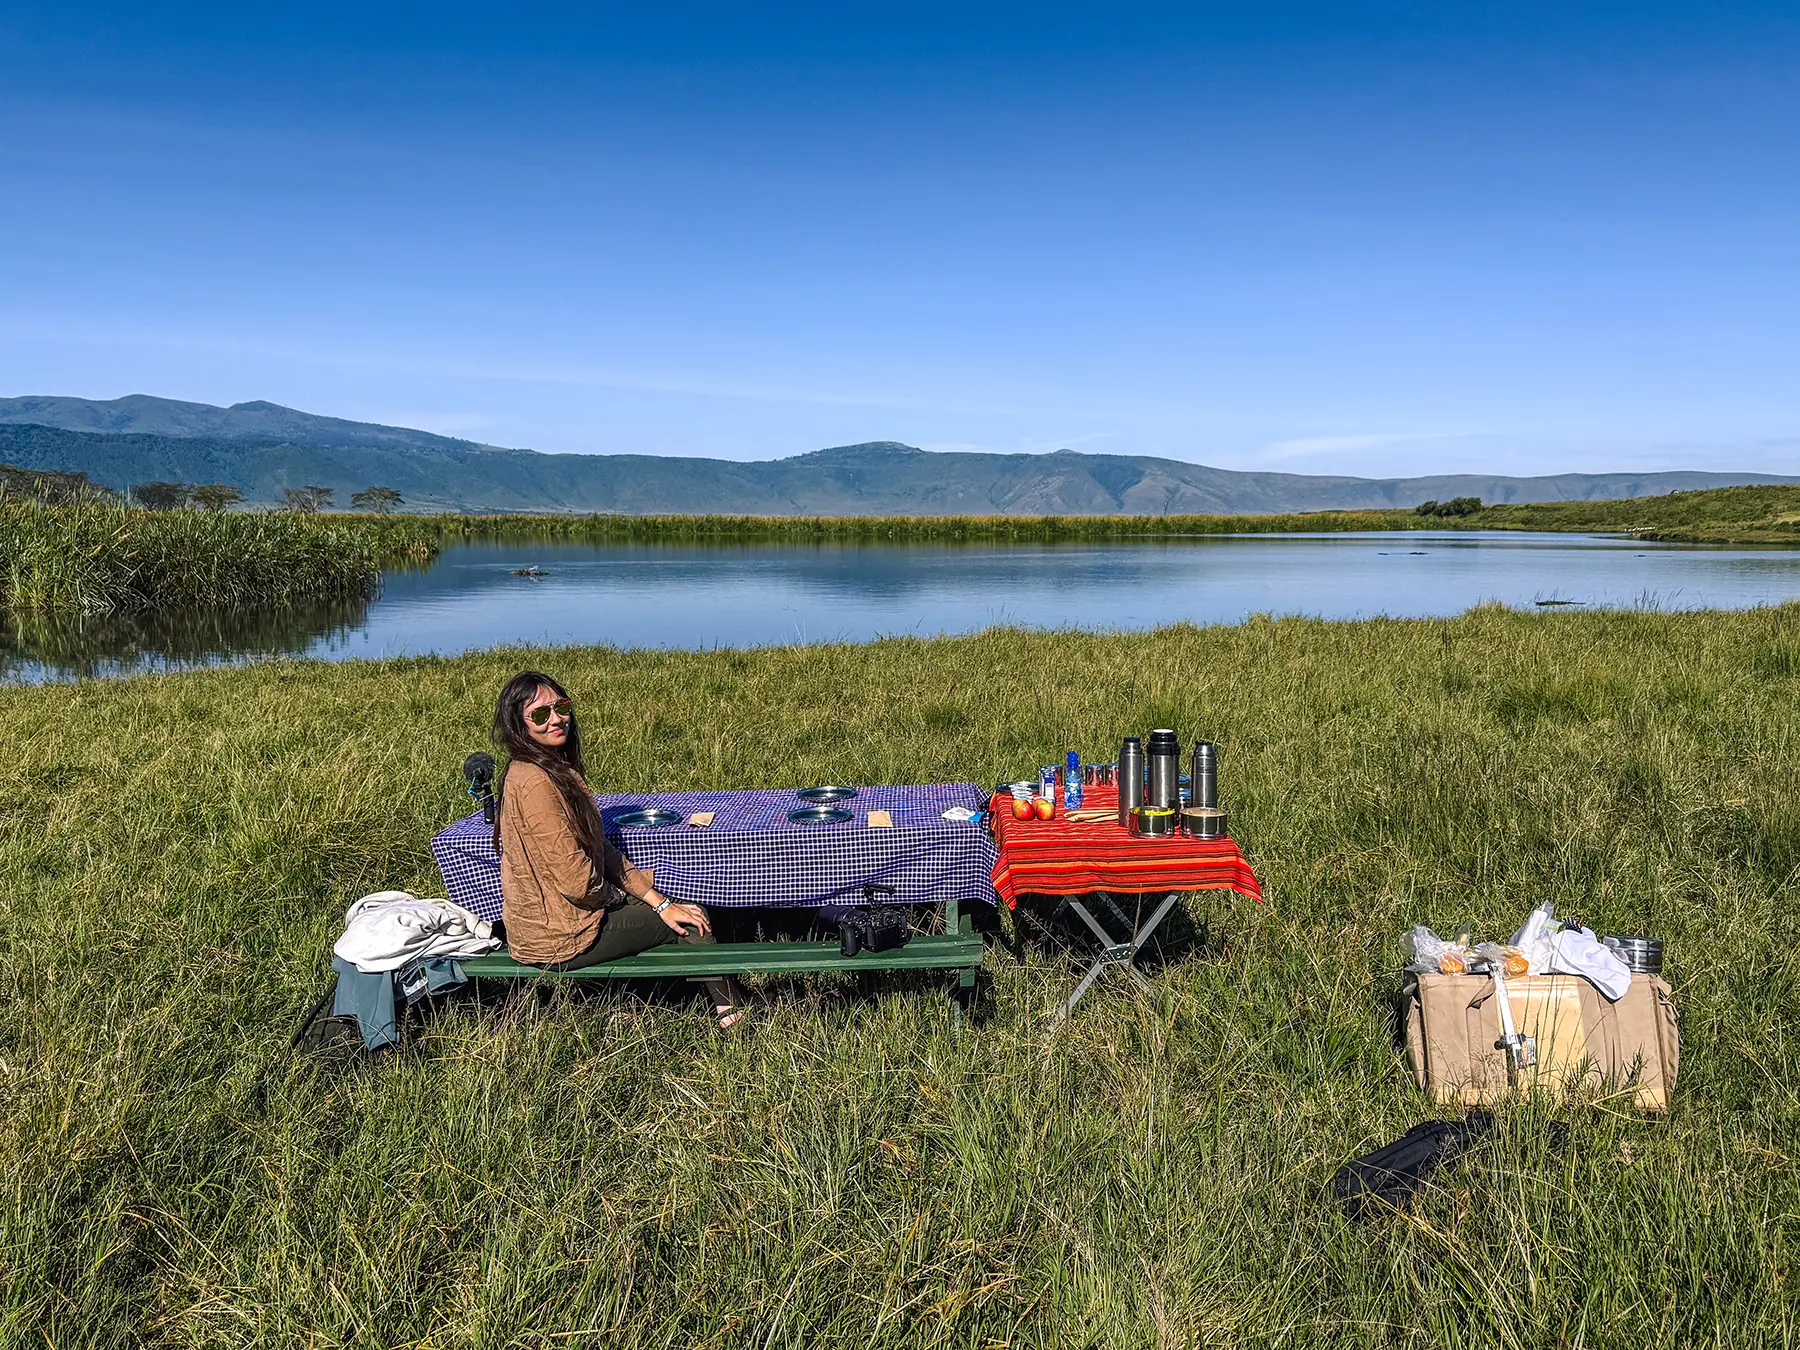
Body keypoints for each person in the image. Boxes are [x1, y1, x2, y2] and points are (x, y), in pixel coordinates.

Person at [492, 670, 746, 1028]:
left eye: (560, 707)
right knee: (693, 923)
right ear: (519, 726)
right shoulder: (535, 782)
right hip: (560, 938)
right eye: (539, 714)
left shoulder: (545, 770)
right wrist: (627, 900)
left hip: (548, 926)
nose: (556, 719)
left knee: (670, 907)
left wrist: (654, 899)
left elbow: (601, 850)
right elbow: (575, 880)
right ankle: (733, 1014)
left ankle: (687, 998)